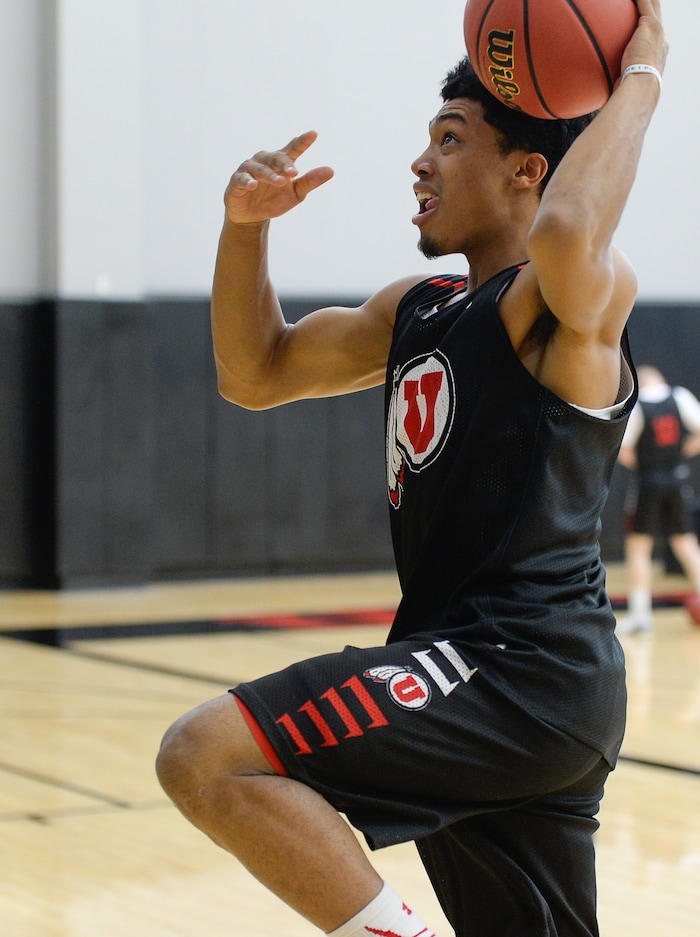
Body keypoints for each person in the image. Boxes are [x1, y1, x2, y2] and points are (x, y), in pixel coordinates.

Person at [156, 4, 667, 936]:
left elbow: (566, 237)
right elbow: (254, 372)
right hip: (492, 677)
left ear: (527, 171)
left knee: (208, 755)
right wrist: (244, 229)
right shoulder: (419, 310)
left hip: (519, 666)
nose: (419, 163)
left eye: (449, 139)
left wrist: (644, 74)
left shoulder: (563, 308)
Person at [617, 364, 700, 633]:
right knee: (685, 543)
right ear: (662, 380)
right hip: (678, 479)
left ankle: (641, 616)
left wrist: (644, 464)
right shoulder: (680, 397)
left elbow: (623, 449)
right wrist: (680, 454)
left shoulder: (638, 407)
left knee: (639, 547)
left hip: (648, 483)